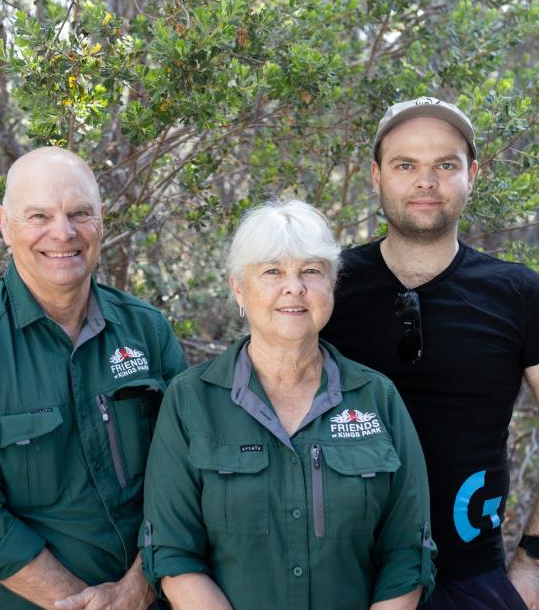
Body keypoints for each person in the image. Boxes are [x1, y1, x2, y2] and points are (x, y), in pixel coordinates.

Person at [321, 97, 539, 610]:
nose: (426, 181)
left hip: (469, 582)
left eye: (445, 165)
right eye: (405, 165)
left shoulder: (518, 295)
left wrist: (534, 562)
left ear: (471, 175)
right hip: (339, 580)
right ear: (376, 177)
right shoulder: (324, 288)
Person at [0, 147, 187, 609]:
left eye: (79, 213)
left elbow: (190, 473)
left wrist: (136, 588)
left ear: (101, 220)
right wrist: (80, 603)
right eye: (39, 216)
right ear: (4, 225)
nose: (63, 232)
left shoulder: (147, 331)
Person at [140, 200, 435, 610]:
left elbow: (407, 553)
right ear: (239, 288)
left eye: (311, 271)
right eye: (272, 272)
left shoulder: (377, 398)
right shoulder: (191, 400)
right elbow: (173, 552)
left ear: (332, 284)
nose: (294, 287)